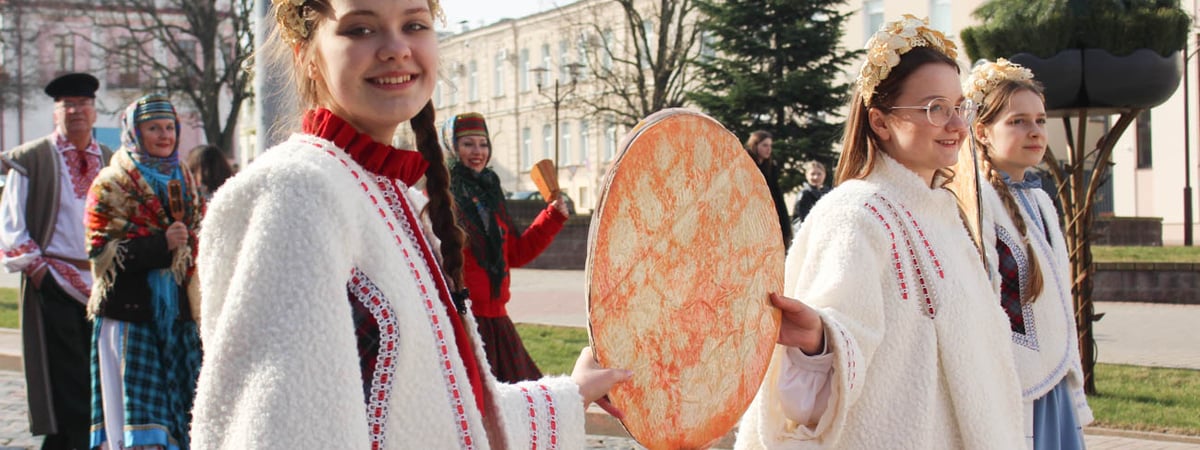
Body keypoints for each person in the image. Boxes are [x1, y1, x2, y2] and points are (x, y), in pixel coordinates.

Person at [189, 0, 630, 448]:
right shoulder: (295, 193)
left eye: (414, 24)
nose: (396, 48)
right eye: (361, 29)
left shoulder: (396, 197)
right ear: (306, 54)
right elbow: (274, 433)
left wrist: (572, 393)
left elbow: (444, 411)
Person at [734, 16, 1024, 449]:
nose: (958, 125)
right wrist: (818, 342)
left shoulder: (946, 214)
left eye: (960, 106)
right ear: (881, 122)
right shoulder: (856, 214)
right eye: (935, 108)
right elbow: (834, 337)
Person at [964, 58, 1093, 449]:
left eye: (1039, 120)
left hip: (1051, 380)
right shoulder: (975, 202)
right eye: (1018, 121)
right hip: (1011, 386)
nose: (1034, 131)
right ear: (983, 131)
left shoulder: (1039, 201)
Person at [84, 93, 204, 450]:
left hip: (178, 317)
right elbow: (101, 252)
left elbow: (195, 237)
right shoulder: (110, 184)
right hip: (131, 317)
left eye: (169, 127)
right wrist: (160, 245)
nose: (164, 135)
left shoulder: (183, 179)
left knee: (184, 415)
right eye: (153, 128)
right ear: (135, 132)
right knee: (141, 421)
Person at [0, 72, 113, 450]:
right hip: (54, 280)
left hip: (104, 283)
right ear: (56, 113)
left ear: (95, 112)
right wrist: (37, 271)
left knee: (100, 376)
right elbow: (12, 224)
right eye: (67, 105)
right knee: (65, 379)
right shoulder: (31, 159)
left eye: (82, 104)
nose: (75, 111)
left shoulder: (111, 160)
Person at [445, 112, 568, 383]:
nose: (477, 152)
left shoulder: (491, 195)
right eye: (467, 144)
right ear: (451, 147)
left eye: (483, 144)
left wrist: (551, 217)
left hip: (498, 321)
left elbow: (516, 253)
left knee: (523, 402)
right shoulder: (442, 197)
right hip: (464, 323)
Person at [746, 130, 792, 248]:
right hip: (751, 215)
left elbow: (777, 195)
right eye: (765, 145)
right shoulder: (746, 163)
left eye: (770, 146)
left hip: (768, 214)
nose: (768, 149)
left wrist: (785, 225)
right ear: (755, 145)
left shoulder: (771, 167)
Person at [790, 161, 830, 228]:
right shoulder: (804, 195)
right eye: (812, 174)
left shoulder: (828, 193)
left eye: (819, 174)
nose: (816, 177)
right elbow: (804, 220)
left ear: (824, 175)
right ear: (807, 175)